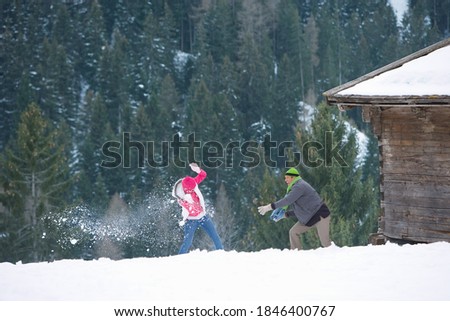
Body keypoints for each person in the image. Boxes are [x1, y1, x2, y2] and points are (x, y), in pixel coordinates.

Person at [258, 168, 332, 250]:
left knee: (326, 243)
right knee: (293, 232)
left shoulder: (299, 186)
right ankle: (296, 254)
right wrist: (285, 215)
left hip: (320, 216)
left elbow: (287, 200)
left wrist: (269, 207)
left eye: (287, 177)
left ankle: (337, 258)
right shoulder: (294, 187)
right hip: (309, 218)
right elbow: (300, 209)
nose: (285, 180)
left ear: (293, 177)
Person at [172, 163, 223, 254]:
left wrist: (197, 170)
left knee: (215, 236)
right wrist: (185, 201)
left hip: (203, 217)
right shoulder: (181, 197)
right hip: (191, 221)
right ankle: (179, 258)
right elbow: (190, 208)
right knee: (187, 242)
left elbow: (203, 175)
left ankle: (222, 254)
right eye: (190, 190)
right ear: (184, 189)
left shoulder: (193, 183)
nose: (192, 191)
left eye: (193, 188)